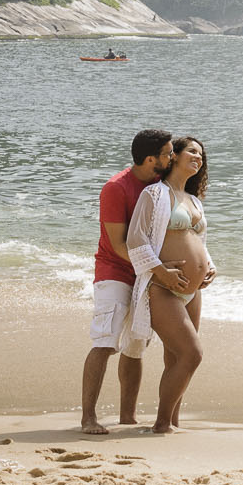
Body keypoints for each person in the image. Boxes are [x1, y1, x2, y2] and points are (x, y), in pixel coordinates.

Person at [120, 134, 217, 434]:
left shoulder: (194, 200)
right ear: (173, 156)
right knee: (192, 354)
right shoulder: (154, 195)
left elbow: (197, 241)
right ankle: (161, 424)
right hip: (162, 288)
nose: (198, 157)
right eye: (192, 151)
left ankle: (173, 420)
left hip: (192, 291)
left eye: (201, 154)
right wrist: (161, 272)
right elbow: (136, 242)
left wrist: (209, 266)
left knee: (176, 357)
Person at [80, 129, 173, 436]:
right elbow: (119, 244)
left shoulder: (162, 186)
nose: (172, 158)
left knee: (135, 347)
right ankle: (88, 418)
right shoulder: (116, 188)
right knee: (105, 342)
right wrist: (158, 270)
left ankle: (127, 418)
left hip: (146, 274)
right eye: (167, 153)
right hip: (114, 271)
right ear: (151, 159)